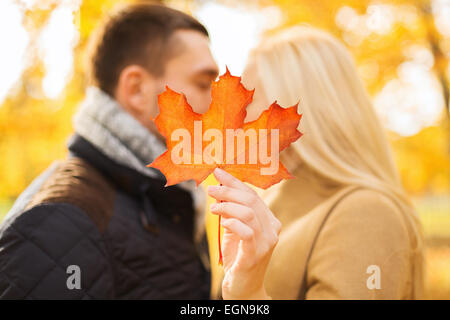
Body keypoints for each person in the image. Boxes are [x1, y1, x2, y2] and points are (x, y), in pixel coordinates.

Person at [0, 3, 219, 299]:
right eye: (204, 84)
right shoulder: (58, 224)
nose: (216, 104)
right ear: (136, 89)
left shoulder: (171, 197)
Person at [207, 26, 425, 299]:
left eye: (247, 98)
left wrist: (249, 296)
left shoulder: (367, 214)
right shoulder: (267, 202)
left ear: (298, 108)